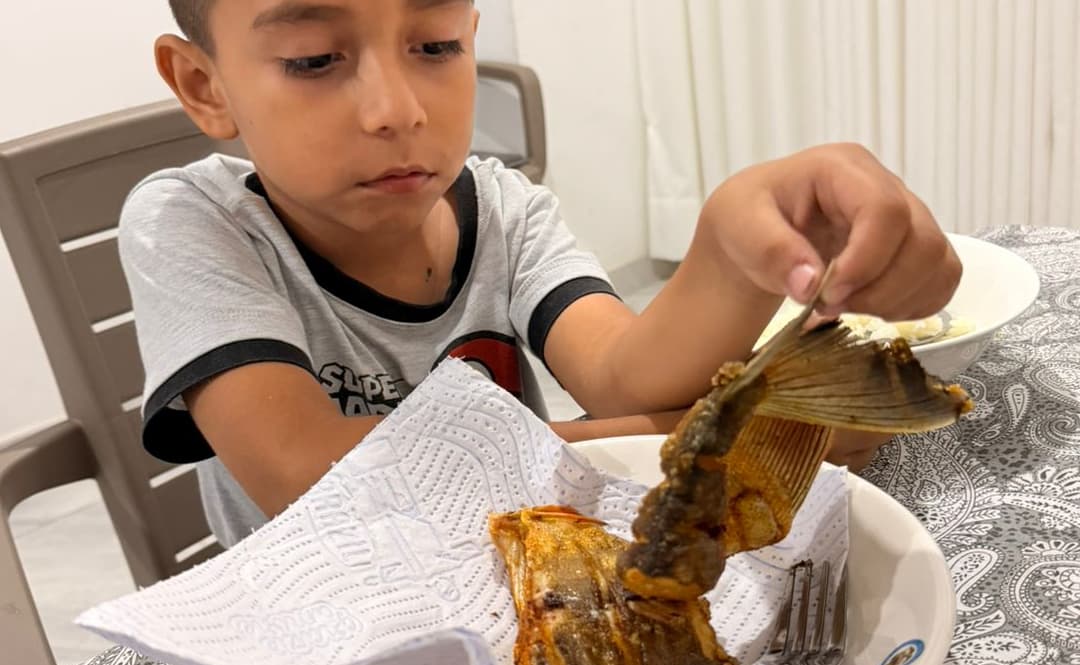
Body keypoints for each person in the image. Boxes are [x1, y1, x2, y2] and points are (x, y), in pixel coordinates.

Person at [123, 0, 961, 547]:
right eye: (313, 60)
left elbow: (624, 378)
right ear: (204, 85)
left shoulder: (504, 209)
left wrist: (734, 252)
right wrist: (693, 435)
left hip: (518, 569)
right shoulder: (191, 225)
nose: (398, 110)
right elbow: (310, 478)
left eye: (436, 44)